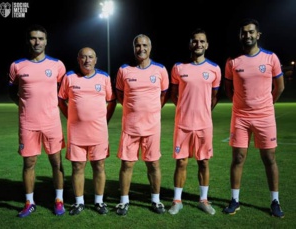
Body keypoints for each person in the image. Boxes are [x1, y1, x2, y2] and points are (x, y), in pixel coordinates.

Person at [223, 18, 285, 218]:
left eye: (251, 32)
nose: (247, 35)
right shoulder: (233, 60)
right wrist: (241, 104)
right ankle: (234, 200)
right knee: (238, 158)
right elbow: (228, 87)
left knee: (269, 158)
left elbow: (280, 86)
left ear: (258, 35)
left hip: (265, 116)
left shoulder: (270, 58)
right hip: (240, 117)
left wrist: (267, 104)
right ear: (240, 35)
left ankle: (275, 201)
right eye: (244, 32)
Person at [8, 24, 66, 217]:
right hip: (28, 124)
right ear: (28, 40)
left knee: (56, 162)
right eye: (33, 38)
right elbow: (12, 92)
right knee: (29, 163)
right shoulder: (17, 66)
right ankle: (29, 202)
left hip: (52, 123)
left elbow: (63, 92)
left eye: (40, 38)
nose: (37, 42)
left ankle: (58, 200)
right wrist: (25, 106)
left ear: (46, 41)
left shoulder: (57, 65)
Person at [168, 29, 221, 215]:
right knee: (181, 162)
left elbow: (214, 97)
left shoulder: (214, 69)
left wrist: (203, 111)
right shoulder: (178, 68)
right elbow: (173, 94)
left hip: (204, 125)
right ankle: (177, 201)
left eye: (202, 41)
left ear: (207, 45)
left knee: (204, 162)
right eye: (195, 41)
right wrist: (185, 109)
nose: (198, 44)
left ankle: (203, 200)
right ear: (190, 44)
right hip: (183, 124)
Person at [114, 34, 169, 216]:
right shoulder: (124, 70)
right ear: (133, 47)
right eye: (138, 45)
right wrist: (134, 111)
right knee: (127, 165)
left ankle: (156, 200)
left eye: (145, 45)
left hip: (152, 127)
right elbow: (121, 95)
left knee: (153, 164)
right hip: (130, 127)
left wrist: (150, 112)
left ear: (150, 47)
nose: (141, 49)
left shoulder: (160, 70)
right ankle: (123, 202)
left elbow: (163, 96)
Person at [58, 47, 116, 215]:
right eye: (83, 57)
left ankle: (99, 201)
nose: (87, 60)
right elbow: (61, 100)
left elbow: (111, 101)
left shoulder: (104, 77)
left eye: (90, 57)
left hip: (98, 132)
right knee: (78, 166)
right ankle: (79, 202)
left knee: (99, 165)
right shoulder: (69, 77)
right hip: (76, 132)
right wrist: (70, 118)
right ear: (78, 59)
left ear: (96, 59)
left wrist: (105, 120)